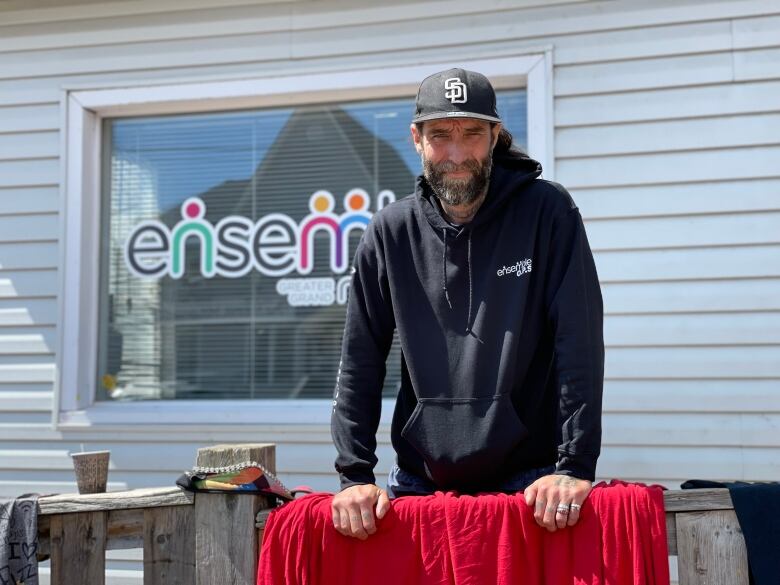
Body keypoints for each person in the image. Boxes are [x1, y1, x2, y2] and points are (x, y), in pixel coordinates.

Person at [330, 68, 604, 540]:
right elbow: (360, 360)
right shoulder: (390, 233)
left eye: (472, 133)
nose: (456, 154)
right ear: (416, 138)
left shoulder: (547, 213)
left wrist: (574, 466)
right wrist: (355, 476)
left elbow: (578, 344)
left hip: (534, 486)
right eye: (440, 135)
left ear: (495, 135)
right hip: (420, 482)